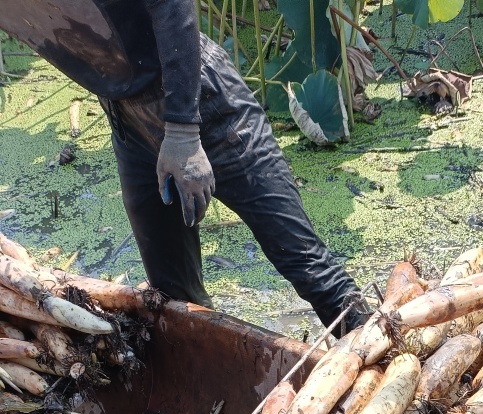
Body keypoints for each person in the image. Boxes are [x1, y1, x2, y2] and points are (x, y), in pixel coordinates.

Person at [0, 0, 367, 333]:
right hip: (128, 118)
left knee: (307, 266)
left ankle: (380, 356)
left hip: (204, 104)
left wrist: (182, 133)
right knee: (172, 294)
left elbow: (173, 4)